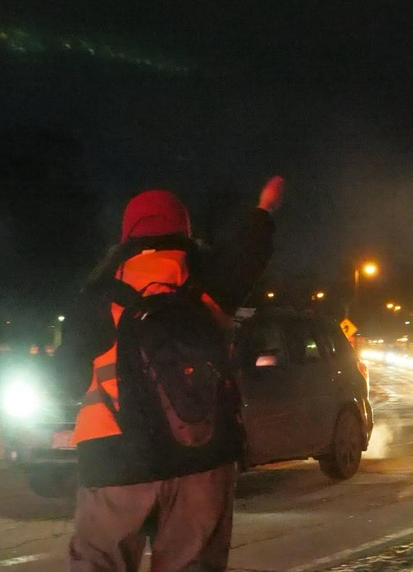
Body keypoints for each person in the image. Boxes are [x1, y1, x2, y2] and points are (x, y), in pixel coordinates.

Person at [66, 176, 284, 572]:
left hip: (113, 456)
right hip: (202, 450)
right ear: (184, 230)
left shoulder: (97, 294)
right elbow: (249, 254)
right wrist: (264, 210)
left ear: (126, 234)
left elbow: (63, 375)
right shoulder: (208, 280)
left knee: (98, 564)